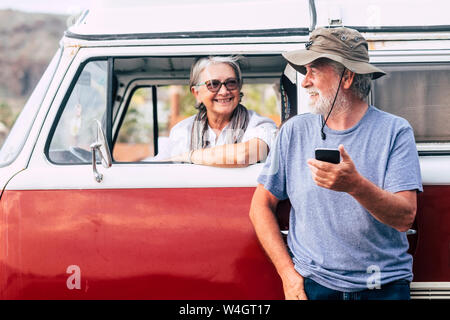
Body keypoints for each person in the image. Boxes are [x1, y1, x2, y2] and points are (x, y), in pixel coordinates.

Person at [249, 27, 423, 300]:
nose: (305, 82)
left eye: (313, 72)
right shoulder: (293, 131)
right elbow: (260, 206)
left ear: (347, 77)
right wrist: (288, 275)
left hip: (383, 287)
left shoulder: (395, 131)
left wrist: (355, 186)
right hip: (315, 287)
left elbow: (404, 218)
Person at [161, 56, 276, 167]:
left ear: (239, 87)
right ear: (197, 93)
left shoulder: (260, 125)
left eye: (231, 82)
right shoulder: (182, 131)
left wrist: (189, 156)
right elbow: (160, 166)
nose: (224, 91)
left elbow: (243, 156)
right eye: (213, 84)